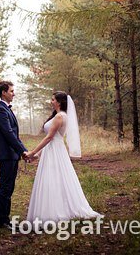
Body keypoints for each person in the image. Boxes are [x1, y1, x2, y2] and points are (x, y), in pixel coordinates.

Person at [24, 91, 104, 225]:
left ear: (59, 102)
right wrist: (37, 155)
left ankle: (55, 211)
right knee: (54, 178)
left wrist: (32, 152)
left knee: (54, 178)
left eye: (53, 99)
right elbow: (51, 140)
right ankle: (54, 207)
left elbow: (49, 138)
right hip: (52, 150)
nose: (51, 101)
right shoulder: (58, 115)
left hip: (55, 151)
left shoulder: (60, 116)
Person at [0, 80, 29, 229]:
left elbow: (14, 135)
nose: (14, 94)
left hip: (12, 155)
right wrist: (23, 151)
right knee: (5, 187)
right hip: (6, 155)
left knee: (9, 187)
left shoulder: (6, 109)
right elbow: (8, 134)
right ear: (3, 93)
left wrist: (24, 151)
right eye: (11, 91)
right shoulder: (0, 110)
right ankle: (2, 221)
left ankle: (5, 219)